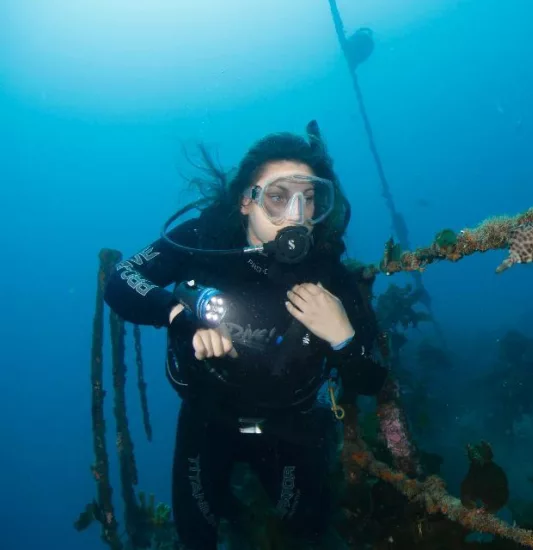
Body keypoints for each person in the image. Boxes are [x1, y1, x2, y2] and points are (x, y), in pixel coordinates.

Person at [104, 121, 388, 549]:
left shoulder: (326, 272)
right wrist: (179, 316)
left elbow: (372, 379)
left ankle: (252, 511)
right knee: (196, 536)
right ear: (245, 201)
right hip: (208, 417)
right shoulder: (203, 241)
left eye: (309, 199)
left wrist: (343, 338)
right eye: (278, 198)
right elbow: (121, 279)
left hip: (287, 423)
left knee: (309, 528)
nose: (296, 215)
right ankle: (235, 512)